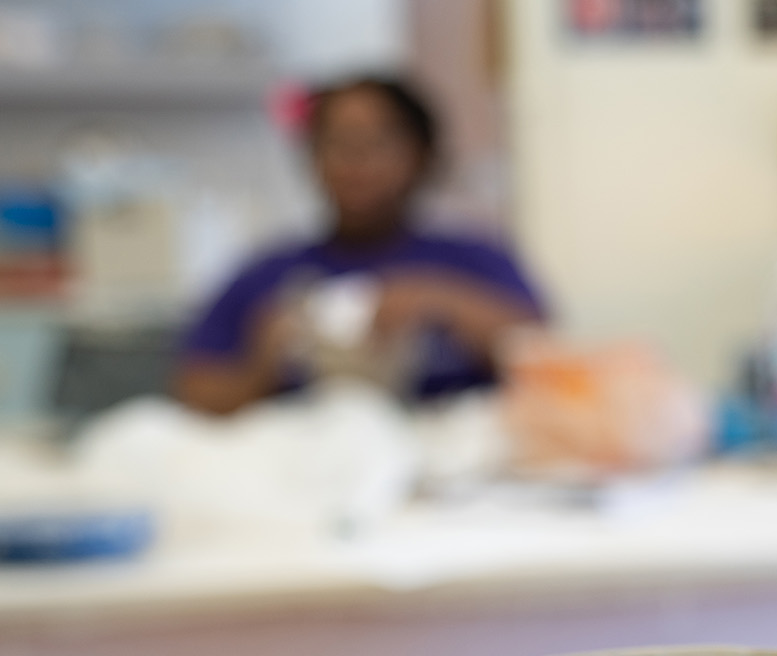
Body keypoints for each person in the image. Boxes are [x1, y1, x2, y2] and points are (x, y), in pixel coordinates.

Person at [174, 77, 543, 414]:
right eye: (337, 144)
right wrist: (263, 362)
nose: (355, 163)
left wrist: (443, 301)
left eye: (376, 143)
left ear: (420, 155)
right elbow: (193, 396)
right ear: (311, 159)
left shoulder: (474, 259)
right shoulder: (265, 276)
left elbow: (551, 361)